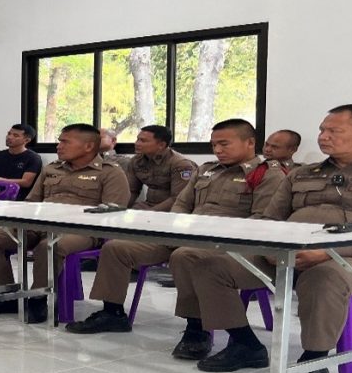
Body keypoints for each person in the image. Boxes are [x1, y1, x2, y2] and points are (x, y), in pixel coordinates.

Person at [169, 104, 352, 373]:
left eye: (334, 131)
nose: (323, 136)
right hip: (286, 253)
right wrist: (271, 247)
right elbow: (270, 220)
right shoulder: (301, 174)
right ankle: (245, 343)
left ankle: (314, 359)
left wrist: (327, 253)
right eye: (322, 130)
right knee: (206, 264)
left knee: (324, 276)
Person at [64, 119, 285, 336]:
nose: (217, 150)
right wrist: (177, 230)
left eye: (224, 144)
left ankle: (197, 328)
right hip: (185, 235)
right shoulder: (207, 170)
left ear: (250, 143)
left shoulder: (267, 174)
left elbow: (260, 220)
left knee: (185, 256)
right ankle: (112, 313)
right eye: (214, 144)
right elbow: (181, 203)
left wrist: (202, 235)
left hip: (225, 243)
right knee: (116, 248)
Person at [0, 124, 131, 322]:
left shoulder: (110, 172)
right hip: (40, 225)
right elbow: (32, 202)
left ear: (88, 146)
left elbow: (112, 212)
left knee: (50, 246)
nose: (59, 146)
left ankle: (37, 299)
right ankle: (4, 296)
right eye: (59, 141)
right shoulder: (52, 168)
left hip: (81, 230)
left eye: (65, 142)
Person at [125, 125, 196, 211]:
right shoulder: (136, 161)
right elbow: (132, 191)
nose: (137, 143)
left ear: (161, 145)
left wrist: (150, 213)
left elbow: (178, 198)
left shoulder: (180, 164)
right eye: (137, 139)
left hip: (175, 208)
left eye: (143, 141)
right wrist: (119, 208)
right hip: (148, 205)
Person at [0, 124, 43, 200]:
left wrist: (1, 180)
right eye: (9, 134)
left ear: (27, 140)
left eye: (15, 135)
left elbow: (26, 182)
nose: (9, 137)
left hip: (19, 199)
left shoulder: (33, 158)